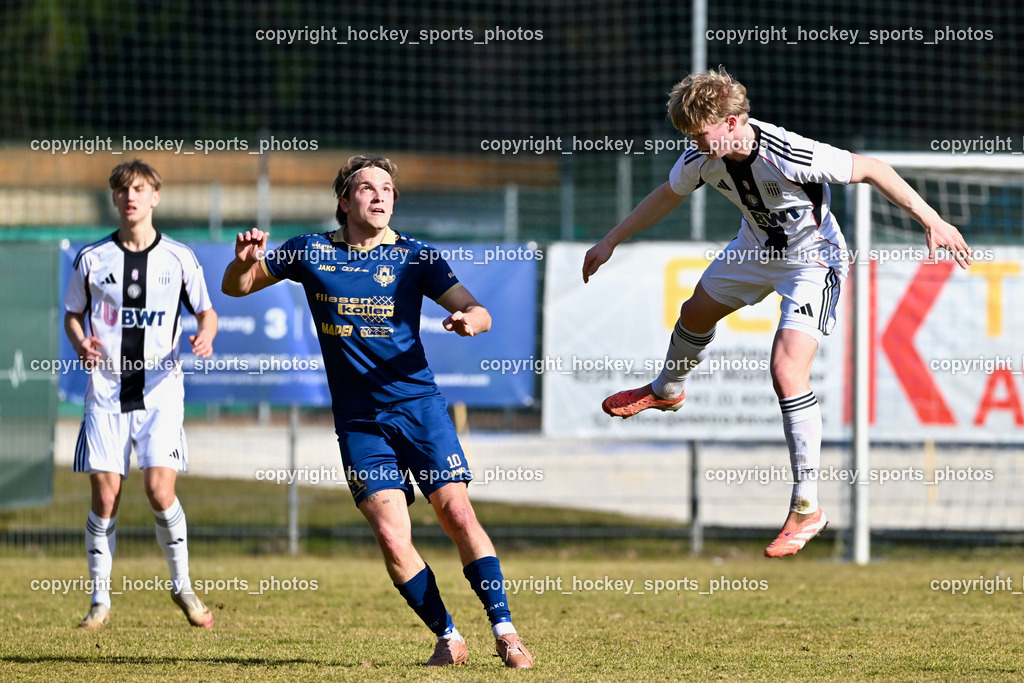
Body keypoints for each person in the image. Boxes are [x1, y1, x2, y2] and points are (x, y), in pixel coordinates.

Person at [582, 67, 971, 558]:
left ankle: (807, 506)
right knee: (694, 313)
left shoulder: (789, 152)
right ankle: (667, 390)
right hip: (754, 250)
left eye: (701, 134)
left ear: (732, 122)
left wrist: (932, 220)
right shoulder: (702, 157)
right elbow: (667, 194)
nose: (694, 144)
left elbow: (873, 169)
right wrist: (611, 240)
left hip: (813, 262)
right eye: (690, 137)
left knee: (786, 370)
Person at [221, 155, 534, 668]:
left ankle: (505, 630)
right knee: (391, 534)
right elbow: (237, 286)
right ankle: (448, 635)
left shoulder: (417, 256)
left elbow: (478, 309)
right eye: (366, 188)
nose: (379, 195)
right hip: (360, 420)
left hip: (418, 407)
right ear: (345, 202)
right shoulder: (310, 250)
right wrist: (242, 262)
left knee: (456, 513)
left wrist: (470, 320)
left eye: (387, 188)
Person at [65, 159, 218, 627]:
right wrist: (80, 341)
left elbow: (207, 311)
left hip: (161, 393)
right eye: (122, 190)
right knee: (105, 498)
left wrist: (206, 334)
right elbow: (72, 315)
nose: (130, 196)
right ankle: (100, 601)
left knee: (159, 489)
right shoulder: (92, 259)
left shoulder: (179, 257)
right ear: (114, 198)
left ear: (155, 197)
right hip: (107, 392)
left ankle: (183, 587)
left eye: (139, 189)